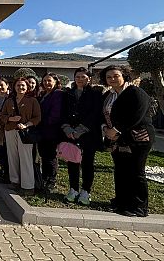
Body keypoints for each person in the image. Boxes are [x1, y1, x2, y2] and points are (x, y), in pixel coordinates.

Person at [101, 65, 154, 217]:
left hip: (138, 138)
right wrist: (105, 129)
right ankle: (121, 202)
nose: (112, 79)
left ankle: (139, 207)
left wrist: (116, 130)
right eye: (109, 77)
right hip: (116, 139)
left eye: (115, 75)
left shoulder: (136, 92)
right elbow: (103, 114)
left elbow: (136, 116)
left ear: (124, 76)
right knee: (121, 171)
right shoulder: (109, 95)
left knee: (136, 171)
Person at [62, 67, 104, 205]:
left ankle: (86, 191)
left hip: (89, 134)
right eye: (78, 76)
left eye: (83, 77)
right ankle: (73, 188)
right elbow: (64, 112)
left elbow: (95, 114)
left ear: (89, 79)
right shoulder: (68, 93)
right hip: (71, 133)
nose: (80, 79)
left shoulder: (95, 94)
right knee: (72, 161)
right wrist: (67, 128)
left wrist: (81, 129)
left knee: (87, 163)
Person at [0, 78, 41, 195]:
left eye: (23, 85)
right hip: (10, 130)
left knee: (26, 158)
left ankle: (28, 186)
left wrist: (27, 125)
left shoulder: (32, 100)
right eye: (18, 85)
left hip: (25, 133)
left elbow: (37, 117)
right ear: (14, 87)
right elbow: (1, 116)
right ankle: (14, 181)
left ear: (27, 87)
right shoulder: (9, 101)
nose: (20, 87)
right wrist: (10, 118)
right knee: (12, 156)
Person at [38, 72, 64, 193]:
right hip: (42, 131)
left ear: (55, 82)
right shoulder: (43, 94)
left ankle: (51, 181)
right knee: (44, 155)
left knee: (51, 157)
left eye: (49, 81)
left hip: (52, 130)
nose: (47, 83)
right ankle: (44, 178)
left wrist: (41, 122)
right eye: (45, 81)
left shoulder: (57, 94)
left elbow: (56, 114)